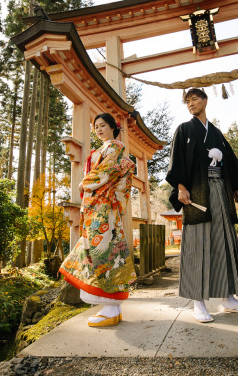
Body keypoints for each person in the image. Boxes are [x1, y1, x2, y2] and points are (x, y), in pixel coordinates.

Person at [166, 88, 238, 323]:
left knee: (223, 241)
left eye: (194, 99)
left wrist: (234, 188)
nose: (190, 104)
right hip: (196, 193)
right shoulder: (184, 129)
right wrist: (181, 187)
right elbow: (176, 161)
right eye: (187, 101)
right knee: (198, 243)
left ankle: (228, 299)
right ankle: (198, 302)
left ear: (205, 100)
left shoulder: (215, 132)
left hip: (220, 190)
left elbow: (228, 161)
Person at [59, 113, 137, 327]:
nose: (99, 129)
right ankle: (113, 306)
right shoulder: (105, 149)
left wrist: (84, 184)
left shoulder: (114, 148)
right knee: (106, 250)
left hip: (102, 207)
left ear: (113, 127)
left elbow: (105, 171)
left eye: (103, 125)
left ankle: (111, 306)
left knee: (102, 251)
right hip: (100, 206)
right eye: (96, 126)